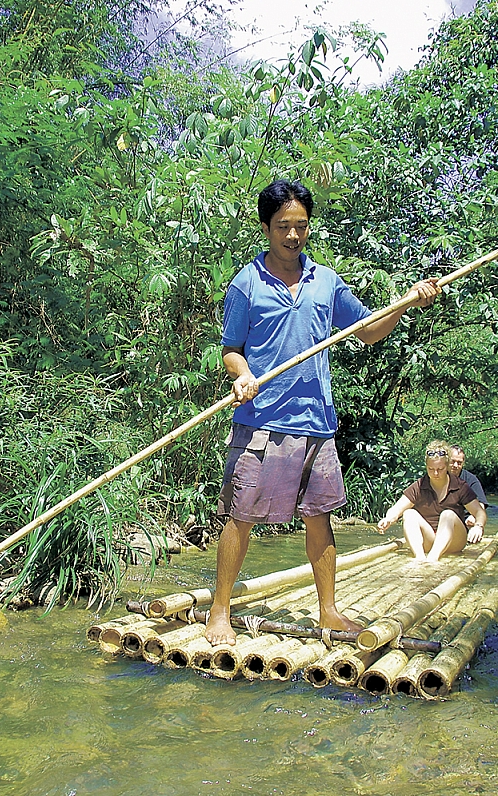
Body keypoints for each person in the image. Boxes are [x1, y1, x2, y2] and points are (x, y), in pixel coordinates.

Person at [204, 179, 441, 646]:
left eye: (300, 226)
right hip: (262, 422)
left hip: (317, 422)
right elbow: (231, 348)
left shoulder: (326, 281)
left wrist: (407, 303)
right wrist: (242, 373)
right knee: (239, 516)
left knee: (320, 516)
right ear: (266, 227)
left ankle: (328, 612)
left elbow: (368, 330)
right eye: (282, 227)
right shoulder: (246, 283)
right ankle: (219, 610)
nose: (292, 236)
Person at [376, 440, 488, 563]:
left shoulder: (460, 486)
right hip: (430, 538)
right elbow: (397, 509)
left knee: (448, 514)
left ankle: (433, 558)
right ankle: (420, 557)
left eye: (440, 469)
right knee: (408, 513)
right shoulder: (419, 486)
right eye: (431, 469)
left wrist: (478, 526)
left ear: (447, 467)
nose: (435, 473)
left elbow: (479, 512)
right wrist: (388, 519)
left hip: (454, 542)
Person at [448, 444, 488, 527]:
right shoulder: (437, 476)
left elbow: (481, 504)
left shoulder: (471, 480)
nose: (455, 465)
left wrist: (474, 517)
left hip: (463, 521)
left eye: (459, 463)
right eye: (453, 461)